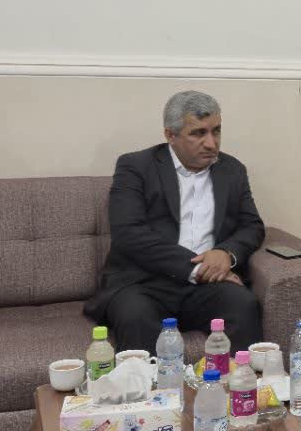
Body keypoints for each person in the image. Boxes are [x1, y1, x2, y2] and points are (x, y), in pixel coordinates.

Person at [85, 90, 266, 353]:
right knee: (136, 315)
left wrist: (226, 254)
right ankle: (146, 382)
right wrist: (200, 267)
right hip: (144, 283)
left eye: (216, 131)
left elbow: (252, 226)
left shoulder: (232, 170)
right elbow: (129, 234)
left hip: (208, 287)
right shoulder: (135, 167)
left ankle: (238, 379)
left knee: (243, 305)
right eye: (198, 133)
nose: (211, 143)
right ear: (170, 135)